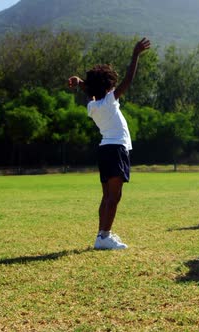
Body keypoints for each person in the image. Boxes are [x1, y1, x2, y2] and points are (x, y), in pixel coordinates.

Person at [67, 37, 150, 250]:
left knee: (107, 196)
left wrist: (80, 83)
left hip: (105, 150)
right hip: (116, 149)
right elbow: (127, 81)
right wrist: (134, 55)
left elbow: (92, 89)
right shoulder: (109, 101)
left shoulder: (92, 105)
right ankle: (104, 237)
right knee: (114, 197)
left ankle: (102, 235)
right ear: (108, 86)